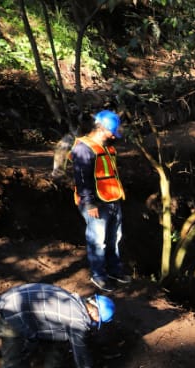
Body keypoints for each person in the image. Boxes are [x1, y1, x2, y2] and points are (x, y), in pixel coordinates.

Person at [71, 110, 129, 292]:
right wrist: (89, 203)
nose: (114, 135)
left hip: (112, 199)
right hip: (96, 203)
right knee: (97, 240)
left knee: (115, 238)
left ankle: (114, 270)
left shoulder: (107, 147)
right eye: (112, 131)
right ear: (101, 129)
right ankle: (98, 275)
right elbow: (82, 178)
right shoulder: (83, 149)